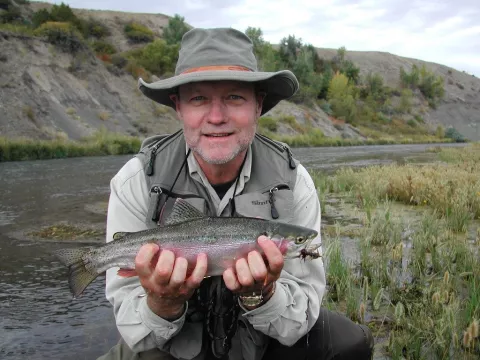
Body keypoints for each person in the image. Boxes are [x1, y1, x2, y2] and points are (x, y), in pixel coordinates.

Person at [97, 27, 374, 360]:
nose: (217, 117)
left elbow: (302, 315)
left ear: (258, 105)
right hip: (172, 343)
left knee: (349, 342)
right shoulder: (136, 181)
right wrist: (163, 302)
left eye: (234, 97)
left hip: (257, 340)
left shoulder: (294, 182)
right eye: (199, 98)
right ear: (178, 107)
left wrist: (264, 294)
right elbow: (134, 331)